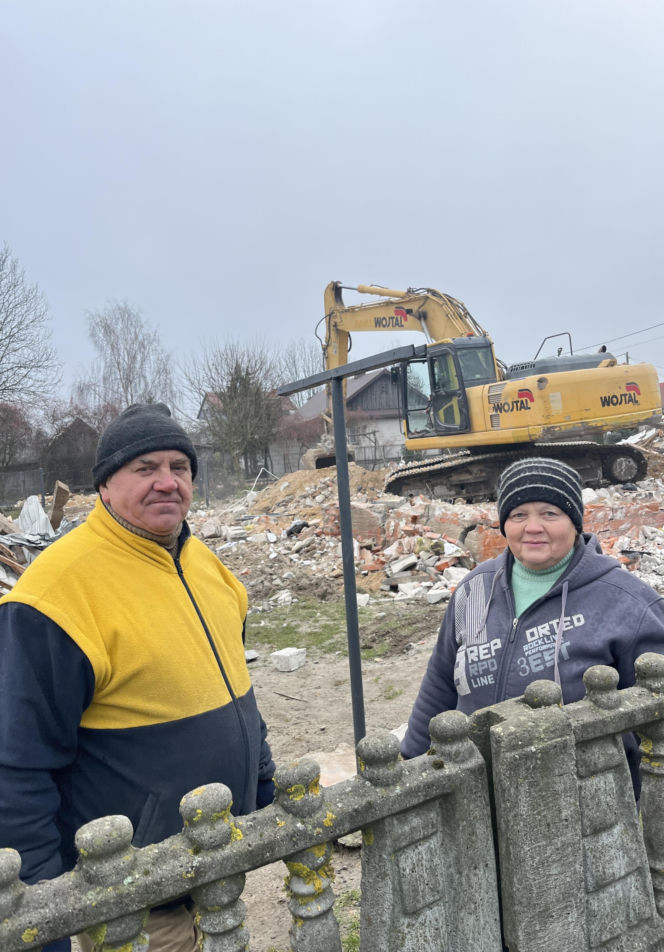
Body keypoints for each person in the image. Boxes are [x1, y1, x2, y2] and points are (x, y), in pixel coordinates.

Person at [0, 404, 275, 952]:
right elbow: (16, 768)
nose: (167, 482)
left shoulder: (209, 569)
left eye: (179, 466)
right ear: (104, 485)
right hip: (131, 900)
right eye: (145, 468)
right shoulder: (55, 595)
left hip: (215, 871)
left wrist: (264, 790)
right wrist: (43, 917)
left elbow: (237, 693)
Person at [401, 456, 664, 785]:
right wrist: (411, 761)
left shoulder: (627, 601)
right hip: (476, 794)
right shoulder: (474, 589)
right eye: (518, 514)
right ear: (504, 523)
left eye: (550, 513)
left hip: (582, 800)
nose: (532, 527)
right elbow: (440, 682)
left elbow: (655, 714)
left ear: (574, 521)